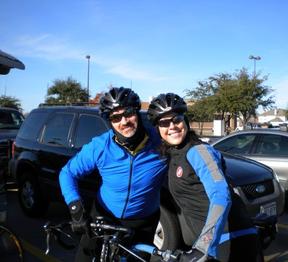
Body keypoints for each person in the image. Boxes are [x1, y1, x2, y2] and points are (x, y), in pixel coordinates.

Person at [59, 87, 167, 261]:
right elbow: (67, 173)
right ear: (109, 121)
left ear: (137, 111)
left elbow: (186, 149)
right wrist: (75, 208)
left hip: (143, 222)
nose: (124, 121)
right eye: (115, 117)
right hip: (103, 217)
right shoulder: (100, 146)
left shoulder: (160, 142)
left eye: (129, 113)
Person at [147, 93, 258, 262]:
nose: (172, 126)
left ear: (185, 121)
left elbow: (221, 196)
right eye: (164, 123)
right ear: (158, 129)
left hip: (229, 238)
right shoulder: (173, 153)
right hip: (209, 240)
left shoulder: (198, 151)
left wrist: (204, 245)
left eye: (176, 119)